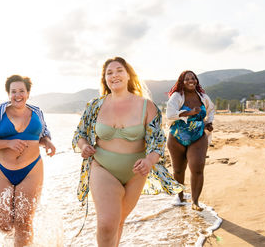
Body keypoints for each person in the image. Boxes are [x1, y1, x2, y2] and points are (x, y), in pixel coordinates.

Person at [72, 57, 183, 247]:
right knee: (107, 223)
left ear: (129, 75)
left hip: (136, 172)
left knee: (119, 221)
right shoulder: (95, 105)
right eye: (109, 72)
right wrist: (84, 146)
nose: (114, 75)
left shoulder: (147, 106)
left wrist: (149, 161)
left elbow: (157, 142)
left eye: (119, 70)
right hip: (102, 167)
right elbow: (79, 134)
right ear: (104, 79)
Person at [0, 75, 56, 246]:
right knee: (4, 224)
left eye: (21, 91)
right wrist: (8, 142)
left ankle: (22, 242)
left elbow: (43, 135)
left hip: (32, 169)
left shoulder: (37, 112)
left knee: (24, 222)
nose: (18, 95)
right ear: (8, 94)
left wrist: (48, 142)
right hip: (2, 170)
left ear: (28, 93)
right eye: (13, 91)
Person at [166, 70, 214, 211]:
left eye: (193, 78)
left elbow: (211, 110)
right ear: (182, 82)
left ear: (196, 81)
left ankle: (195, 202)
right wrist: (190, 112)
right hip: (177, 137)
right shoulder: (176, 96)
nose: (190, 81)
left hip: (197, 136)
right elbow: (170, 114)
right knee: (178, 170)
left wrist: (208, 123)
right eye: (187, 79)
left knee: (197, 168)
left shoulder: (203, 97)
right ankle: (179, 198)